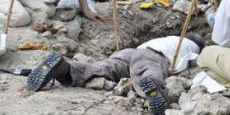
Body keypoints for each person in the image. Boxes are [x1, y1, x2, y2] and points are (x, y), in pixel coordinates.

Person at [26, 33, 205, 115]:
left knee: (102, 68)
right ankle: (151, 85)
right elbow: (194, 65)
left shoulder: (167, 38)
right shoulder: (191, 47)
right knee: (148, 72)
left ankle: (64, 67)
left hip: (131, 52)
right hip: (152, 57)